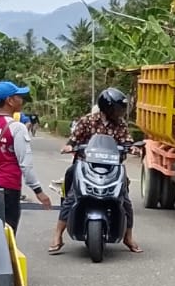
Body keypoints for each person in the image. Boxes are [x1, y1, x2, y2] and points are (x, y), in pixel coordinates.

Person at [48, 87, 143, 254]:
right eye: (117, 108)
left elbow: (127, 141)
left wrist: (133, 149)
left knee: (125, 200)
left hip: (112, 168)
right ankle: (57, 235)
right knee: (71, 196)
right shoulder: (87, 121)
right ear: (107, 107)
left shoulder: (120, 124)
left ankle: (128, 237)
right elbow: (74, 139)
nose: (120, 112)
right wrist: (69, 146)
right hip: (86, 166)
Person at [0, 80, 51, 232]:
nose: (21, 100)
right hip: (8, 188)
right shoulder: (17, 128)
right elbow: (25, 164)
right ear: (10, 101)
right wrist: (39, 192)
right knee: (7, 234)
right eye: (18, 97)